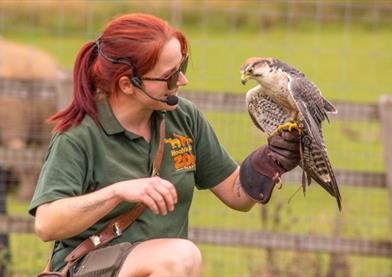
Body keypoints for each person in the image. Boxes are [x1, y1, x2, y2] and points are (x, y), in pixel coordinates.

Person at [29, 13, 300, 277]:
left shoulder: (183, 117)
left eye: (183, 67)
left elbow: (235, 194)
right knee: (180, 257)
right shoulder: (79, 135)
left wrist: (269, 158)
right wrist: (119, 192)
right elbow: (47, 224)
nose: (183, 80)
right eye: (171, 76)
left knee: (179, 258)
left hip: (165, 266)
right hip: (88, 268)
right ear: (127, 84)